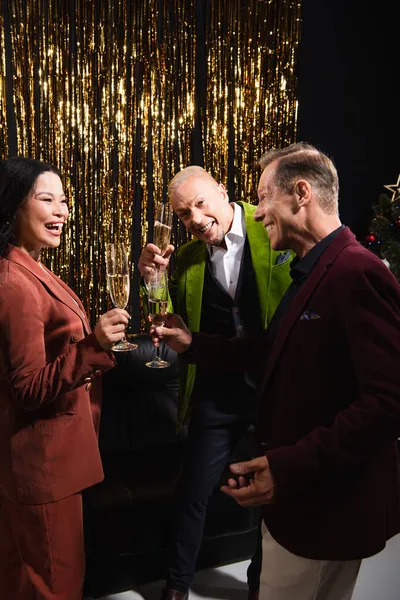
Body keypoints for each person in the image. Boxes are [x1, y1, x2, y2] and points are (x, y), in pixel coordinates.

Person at [152, 143, 400, 600]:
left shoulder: (357, 272)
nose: (258, 209)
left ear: (301, 193)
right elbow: (269, 351)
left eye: (265, 196)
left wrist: (286, 467)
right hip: (303, 501)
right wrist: (194, 343)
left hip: (324, 503)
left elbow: (387, 404)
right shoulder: (315, 269)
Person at [138, 166, 292, 600]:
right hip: (217, 389)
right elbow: (169, 320)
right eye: (184, 214)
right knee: (191, 491)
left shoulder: (272, 229)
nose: (196, 218)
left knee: (271, 492)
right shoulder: (186, 258)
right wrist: (153, 279)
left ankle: (260, 586)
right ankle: (176, 585)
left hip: (275, 387)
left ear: (223, 191)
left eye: (201, 203)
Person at [0, 157, 130, 600]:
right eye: (47, 199)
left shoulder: (28, 267)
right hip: (42, 466)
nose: (63, 211)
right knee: (57, 585)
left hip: (43, 463)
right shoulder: (15, 284)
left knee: (25, 581)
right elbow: (29, 388)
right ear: (14, 207)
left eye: (64, 201)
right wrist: (94, 344)